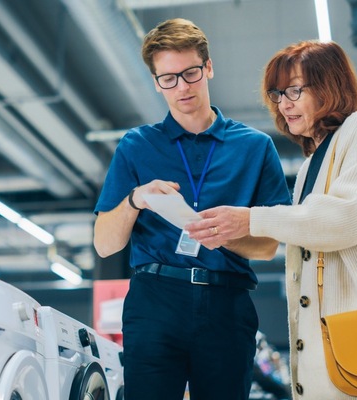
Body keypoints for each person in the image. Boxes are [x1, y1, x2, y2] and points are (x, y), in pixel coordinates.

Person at [185, 40, 357, 399]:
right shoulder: (313, 161)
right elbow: (311, 232)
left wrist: (253, 220)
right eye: (277, 93)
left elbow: (347, 219)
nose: (284, 104)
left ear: (330, 85)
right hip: (334, 349)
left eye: (295, 90)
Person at [92, 18, 291, 400]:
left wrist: (226, 236)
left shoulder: (254, 147)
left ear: (209, 67)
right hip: (155, 300)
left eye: (190, 73)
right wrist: (136, 199)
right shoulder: (136, 146)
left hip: (226, 303)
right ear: (155, 81)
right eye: (168, 78)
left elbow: (267, 247)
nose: (181, 87)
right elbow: (105, 244)